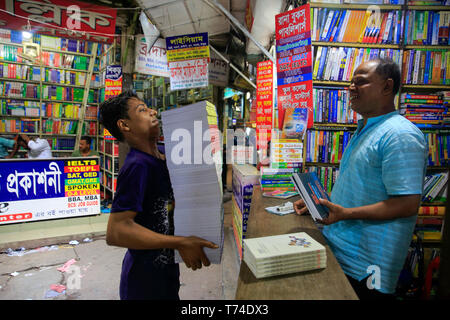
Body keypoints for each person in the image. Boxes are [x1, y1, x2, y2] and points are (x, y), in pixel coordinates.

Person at [294, 58, 427, 300]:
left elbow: (407, 204)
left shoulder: (400, 135)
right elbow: (362, 188)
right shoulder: (366, 129)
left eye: (360, 82)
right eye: (351, 83)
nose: (351, 88)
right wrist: (321, 203)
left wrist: (345, 214)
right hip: (342, 250)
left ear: (387, 87)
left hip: (368, 263)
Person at [99, 91, 218, 300]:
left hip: (166, 272)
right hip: (143, 282)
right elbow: (116, 231)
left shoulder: (165, 154)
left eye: (149, 107)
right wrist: (180, 242)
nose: (153, 111)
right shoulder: (137, 166)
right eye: (142, 110)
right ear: (125, 126)